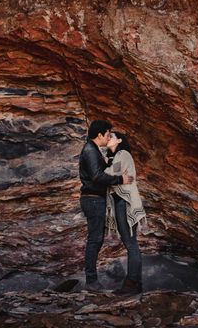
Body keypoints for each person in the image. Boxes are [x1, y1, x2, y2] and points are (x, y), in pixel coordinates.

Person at [79, 119, 134, 292]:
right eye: (108, 134)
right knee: (94, 239)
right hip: (93, 199)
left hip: (95, 198)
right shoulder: (90, 150)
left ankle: (91, 281)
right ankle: (91, 282)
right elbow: (96, 176)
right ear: (100, 134)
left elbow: (101, 171)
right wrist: (120, 179)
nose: (109, 136)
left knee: (96, 239)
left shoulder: (93, 150)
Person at [105, 132, 146, 294]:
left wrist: (103, 167)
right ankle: (136, 283)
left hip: (125, 203)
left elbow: (110, 174)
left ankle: (132, 283)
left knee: (131, 244)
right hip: (120, 202)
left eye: (111, 136)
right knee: (130, 243)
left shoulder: (123, 154)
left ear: (120, 140)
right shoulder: (115, 157)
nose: (108, 138)